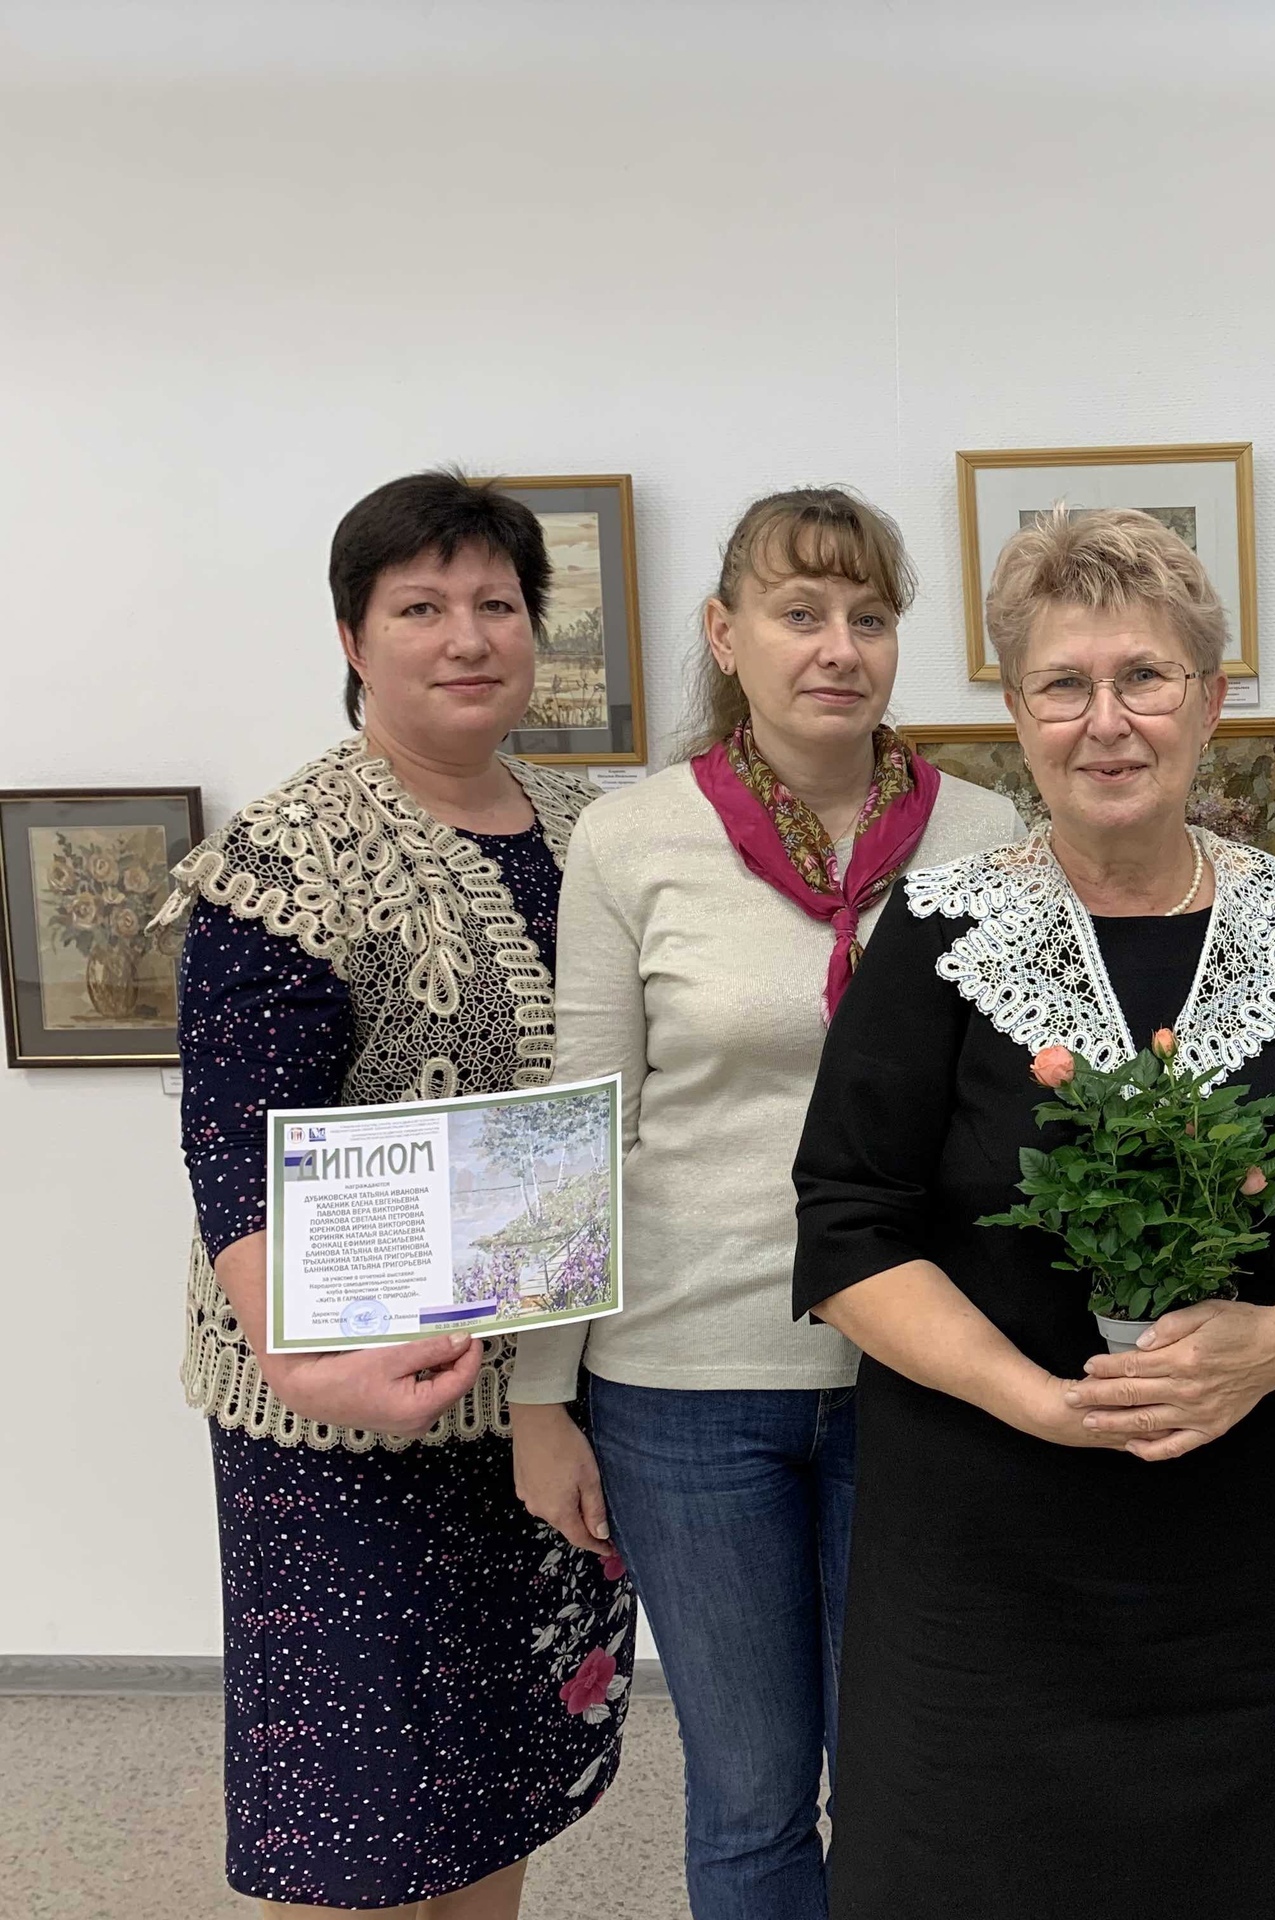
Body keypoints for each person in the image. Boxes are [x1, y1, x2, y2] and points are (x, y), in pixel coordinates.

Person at [789, 506, 1275, 1919]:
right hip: (985, 1536)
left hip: (1243, 1540)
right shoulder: (938, 930)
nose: (1106, 722)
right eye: (1063, 685)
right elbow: (847, 1222)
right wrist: (1033, 1399)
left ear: (1210, 700)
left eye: (1143, 677)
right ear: (1018, 717)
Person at [510, 488, 1018, 1917]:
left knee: (911, 1779)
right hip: (684, 1387)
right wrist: (540, 1399)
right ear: (726, 635)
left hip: (917, 1371)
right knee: (749, 1798)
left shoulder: (988, 835)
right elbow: (579, 1128)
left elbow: (1018, 1113)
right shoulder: (632, 839)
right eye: (801, 613)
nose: (839, 647)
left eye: (870, 616)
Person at [154, 471, 631, 1917]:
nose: (467, 636)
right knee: (356, 1814)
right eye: (421, 607)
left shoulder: (594, 833)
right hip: (347, 1419)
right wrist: (306, 1361)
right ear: (354, 639)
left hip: (539, 1399)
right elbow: (234, 1140)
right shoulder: (286, 856)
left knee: (498, 1776)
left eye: (497, 603)